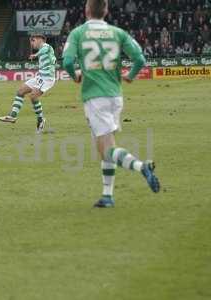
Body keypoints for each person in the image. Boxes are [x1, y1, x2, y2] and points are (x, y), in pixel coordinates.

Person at [62, 0, 160, 208]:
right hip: (115, 95)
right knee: (107, 146)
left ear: (87, 10)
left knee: (105, 150)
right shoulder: (118, 32)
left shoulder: (78, 33)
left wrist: (75, 77)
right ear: (105, 10)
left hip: (95, 97)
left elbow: (68, 62)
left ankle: (142, 166)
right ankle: (107, 195)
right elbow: (140, 58)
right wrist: (131, 75)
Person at [0, 33, 56, 133]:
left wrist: (35, 55)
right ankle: (12, 116)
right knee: (20, 91)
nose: (32, 44)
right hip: (40, 76)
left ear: (39, 39)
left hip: (47, 79)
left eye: (33, 41)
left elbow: (44, 51)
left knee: (33, 96)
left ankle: (40, 119)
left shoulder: (47, 47)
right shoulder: (42, 50)